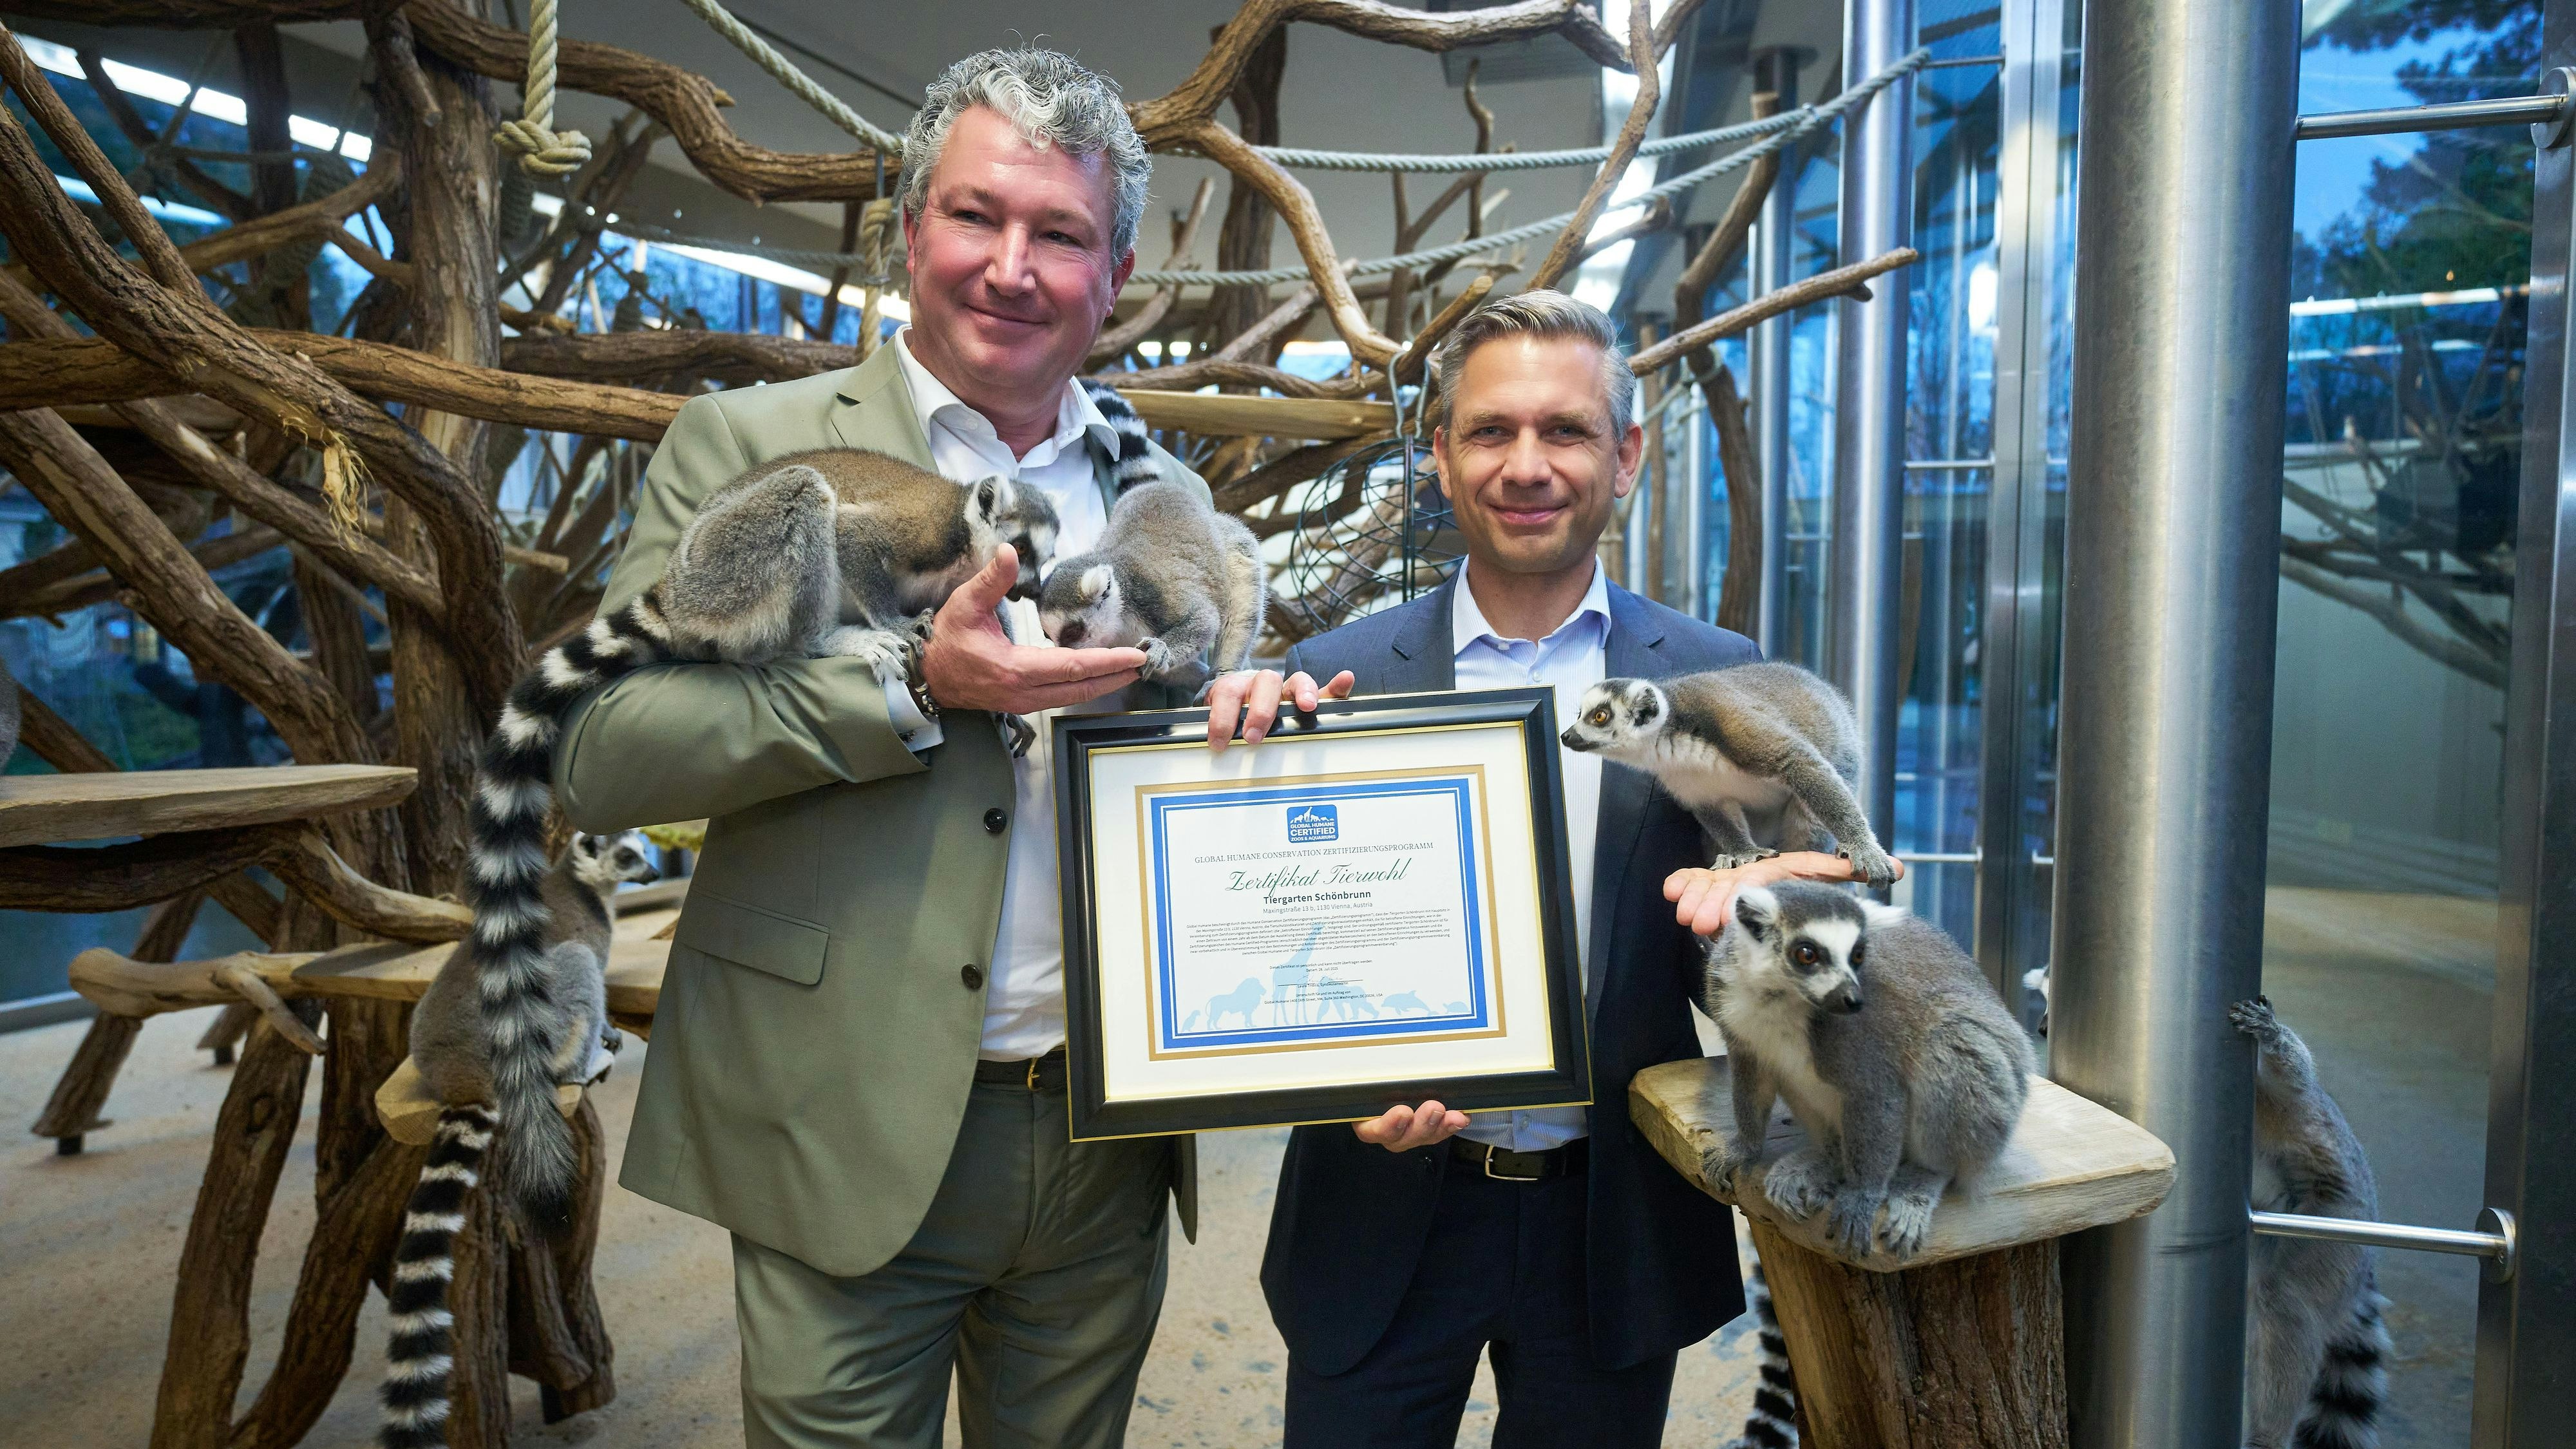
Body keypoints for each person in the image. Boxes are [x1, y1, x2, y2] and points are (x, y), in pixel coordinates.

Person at [553, 49, 1210, 1449]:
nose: (1011, 268)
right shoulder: (757, 444)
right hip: (840, 1105)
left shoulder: (1157, 493)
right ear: (909, 229)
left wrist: (1250, 723)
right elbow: (605, 751)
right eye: (976, 217)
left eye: (1059, 233)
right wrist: (916, 685)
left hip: (1107, 1127)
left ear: (1119, 267)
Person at [1206, 290, 1880, 1446]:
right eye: (1491, 431)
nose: (1528, 465)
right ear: (1440, 455)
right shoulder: (1335, 678)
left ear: (1625, 456)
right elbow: (1276, 938)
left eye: (1565, 431)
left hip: (1609, 1216)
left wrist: (1787, 907)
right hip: (1377, 1204)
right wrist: (1230, 777)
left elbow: (1739, 942)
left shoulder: (1718, 680)